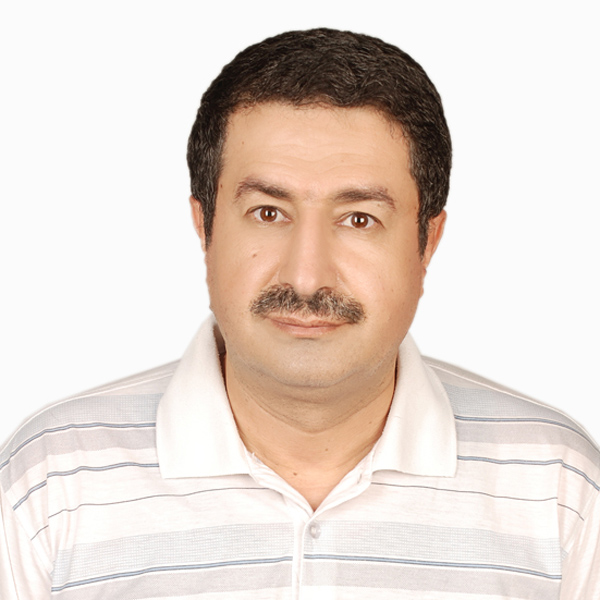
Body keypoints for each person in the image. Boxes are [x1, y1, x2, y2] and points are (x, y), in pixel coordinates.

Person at [1, 27, 598, 599]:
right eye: (268, 213)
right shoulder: (52, 480)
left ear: (427, 242)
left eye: (359, 219)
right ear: (205, 227)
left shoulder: (557, 485)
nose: (306, 277)